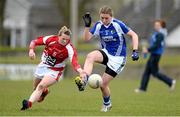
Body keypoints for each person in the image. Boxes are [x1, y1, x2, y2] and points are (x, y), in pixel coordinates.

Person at [75, 6, 139, 112]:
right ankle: (84, 80)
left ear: (111, 17)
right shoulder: (99, 25)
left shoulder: (118, 24)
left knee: (103, 84)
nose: (104, 20)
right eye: (102, 18)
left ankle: (107, 104)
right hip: (106, 52)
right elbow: (86, 38)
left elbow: (134, 35)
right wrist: (87, 26)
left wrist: (135, 51)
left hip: (118, 59)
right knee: (90, 56)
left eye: (106, 18)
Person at [21, 26, 85, 110]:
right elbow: (34, 42)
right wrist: (31, 50)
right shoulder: (50, 39)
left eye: (67, 40)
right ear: (58, 36)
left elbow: (74, 61)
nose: (65, 41)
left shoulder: (69, 48)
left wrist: (80, 71)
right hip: (43, 66)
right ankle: (44, 92)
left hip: (55, 71)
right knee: (35, 88)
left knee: (40, 86)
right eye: (63, 39)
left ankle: (28, 103)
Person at [135, 20, 176, 93]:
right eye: (155, 25)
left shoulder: (160, 34)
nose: (155, 26)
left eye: (158, 25)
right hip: (153, 54)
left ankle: (170, 81)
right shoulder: (157, 33)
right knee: (147, 71)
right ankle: (142, 88)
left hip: (156, 55)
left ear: (161, 26)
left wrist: (148, 49)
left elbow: (157, 45)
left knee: (155, 73)